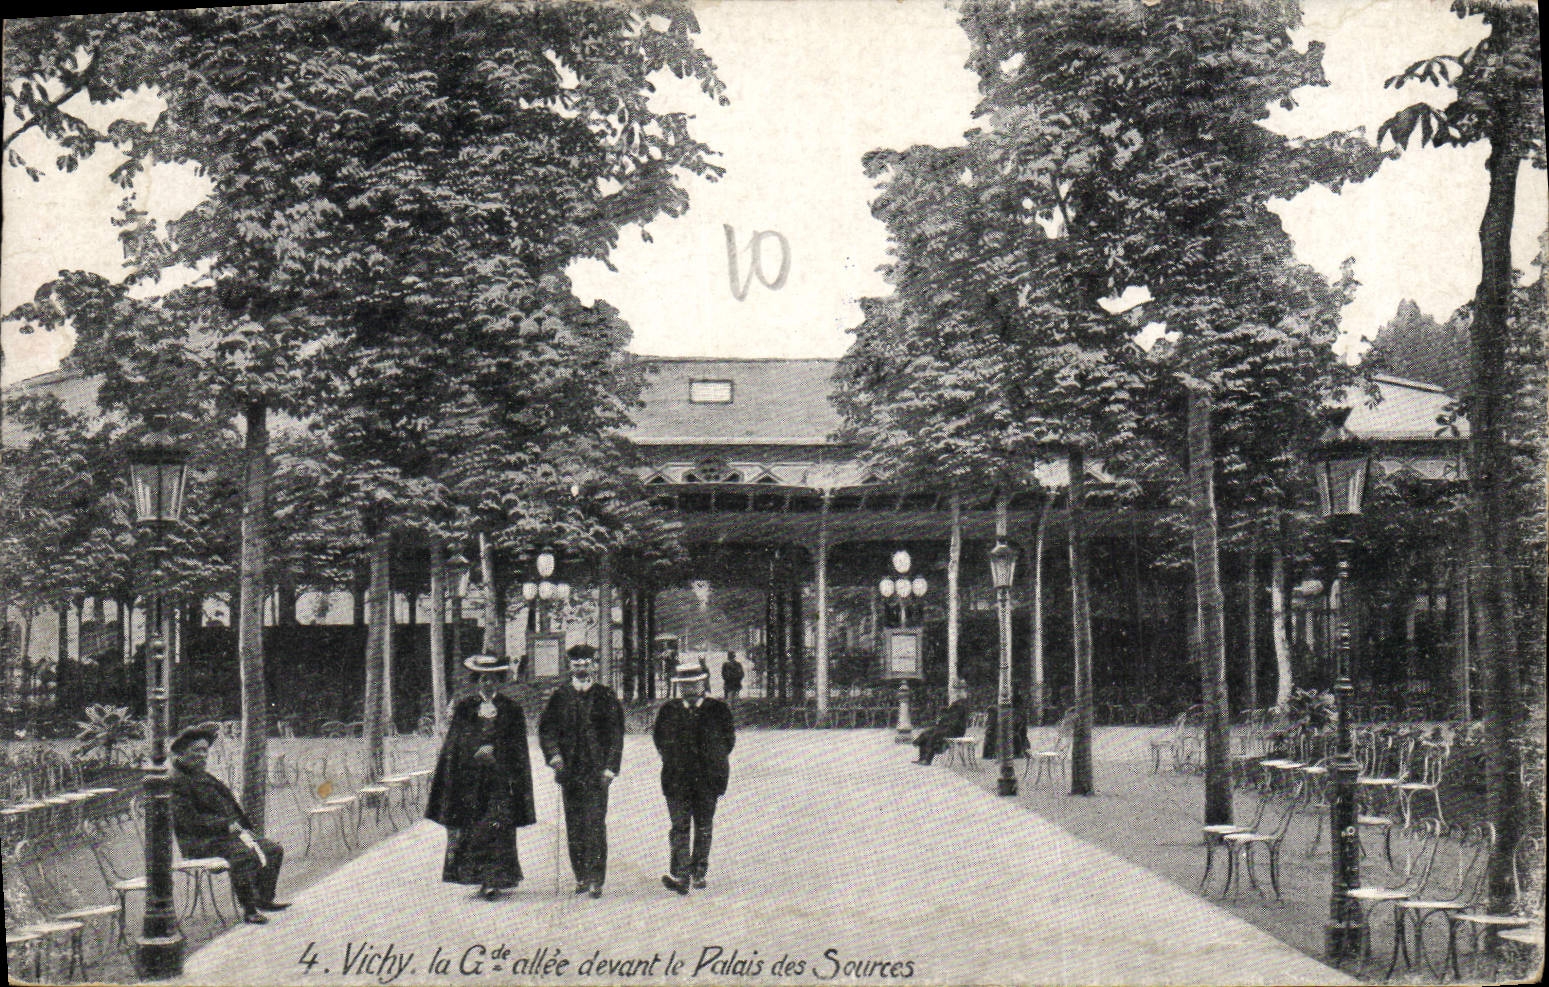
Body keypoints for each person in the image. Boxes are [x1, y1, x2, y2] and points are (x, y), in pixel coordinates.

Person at [425, 654, 537, 900]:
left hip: (500, 779)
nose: (488, 683)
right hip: (472, 781)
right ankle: (478, 876)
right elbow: (455, 744)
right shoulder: (465, 708)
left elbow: (518, 748)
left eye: (493, 678)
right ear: (477, 680)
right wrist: (476, 749)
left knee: (497, 826)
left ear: (500, 680)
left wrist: (496, 750)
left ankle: (494, 880)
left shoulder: (512, 709)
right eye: (483, 678)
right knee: (475, 827)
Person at [168, 723, 288, 924]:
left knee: (273, 849)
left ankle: (264, 898)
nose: (202, 755)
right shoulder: (177, 780)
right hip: (200, 843)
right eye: (196, 751)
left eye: (205, 750)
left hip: (225, 838)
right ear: (181, 753)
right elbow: (189, 821)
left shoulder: (201, 775)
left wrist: (242, 828)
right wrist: (225, 825)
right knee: (243, 855)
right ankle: (249, 909)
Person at [538, 645, 625, 899]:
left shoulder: (606, 696)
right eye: (577, 665)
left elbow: (616, 735)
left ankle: (597, 879)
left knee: (595, 824)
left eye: (586, 664)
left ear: (594, 666)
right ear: (570, 668)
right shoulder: (560, 697)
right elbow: (546, 731)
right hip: (570, 773)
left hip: (597, 773)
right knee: (574, 824)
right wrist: (554, 756)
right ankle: (581, 876)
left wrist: (611, 767)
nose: (582, 669)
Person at [653, 660, 736, 895]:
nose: (688, 690)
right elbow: (659, 740)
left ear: (703, 684)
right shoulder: (668, 711)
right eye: (683, 685)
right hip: (676, 779)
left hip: (708, 780)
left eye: (693, 684)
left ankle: (699, 871)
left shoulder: (718, 710)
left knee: (703, 827)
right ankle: (681, 873)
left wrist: (713, 766)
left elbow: (728, 742)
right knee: (679, 826)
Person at [912, 697, 971, 765]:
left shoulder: (961, 712)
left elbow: (955, 725)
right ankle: (921, 757)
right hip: (945, 728)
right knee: (926, 733)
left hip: (955, 732)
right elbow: (942, 722)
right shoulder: (950, 711)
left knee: (934, 735)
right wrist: (942, 724)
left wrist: (944, 724)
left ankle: (927, 760)